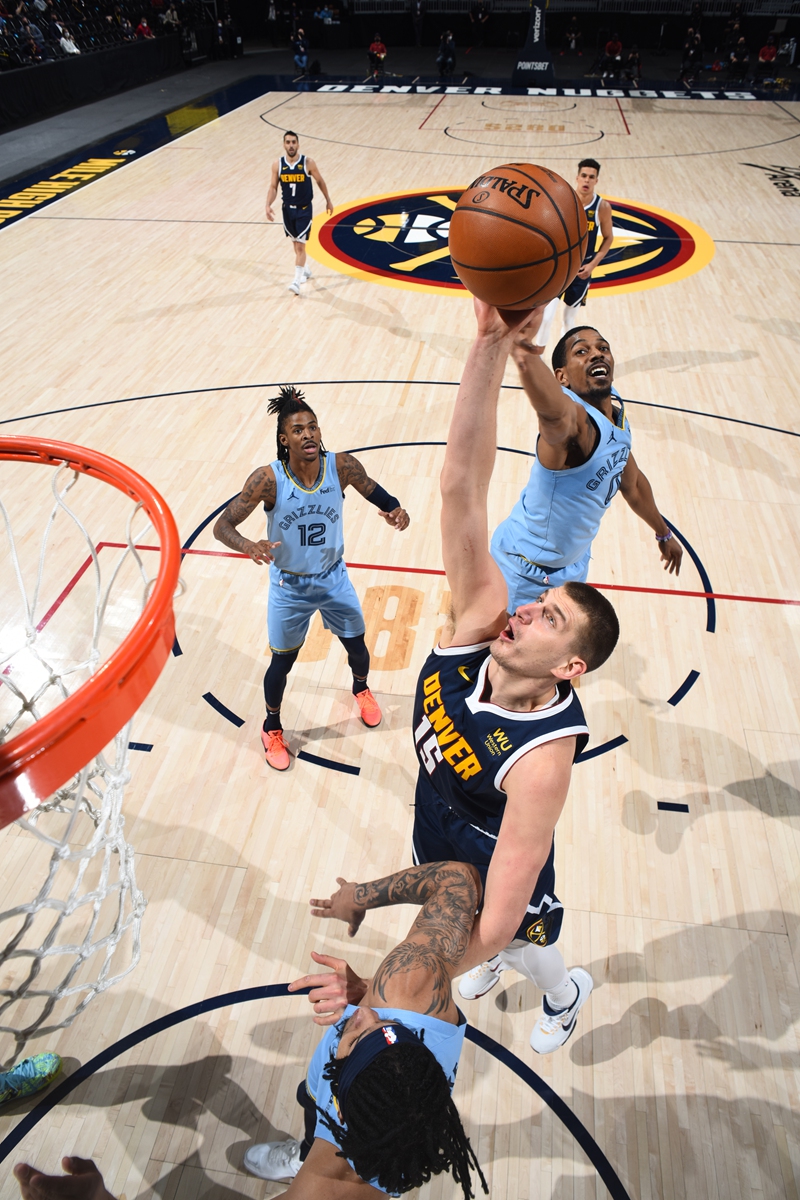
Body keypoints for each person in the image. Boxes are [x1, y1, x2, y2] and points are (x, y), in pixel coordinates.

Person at [389, 301, 622, 1052]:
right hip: (441, 817)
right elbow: (461, 488)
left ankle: (564, 992)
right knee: (483, 941)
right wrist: (491, 343)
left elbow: (493, 915)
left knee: (517, 940)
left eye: (546, 617)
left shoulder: (544, 760)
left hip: (491, 853)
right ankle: (500, 965)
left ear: (571, 666)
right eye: (537, 605)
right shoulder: (482, 619)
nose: (520, 615)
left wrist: (415, 979)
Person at [245, 861, 488, 1193]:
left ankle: (304, 1155)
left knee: (312, 1099)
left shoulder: (310, 1191)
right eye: (389, 1024)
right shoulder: (410, 990)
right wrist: (373, 987)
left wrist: (357, 896)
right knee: (310, 1096)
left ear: (340, 1111)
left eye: (358, 1039)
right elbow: (458, 881)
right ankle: (305, 1151)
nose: (365, 1015)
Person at [212, 387, 409, 771]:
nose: (309, 435)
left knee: (357, 645)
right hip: (290, 587)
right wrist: (250, 545)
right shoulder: (268, 480)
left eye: (313, 428)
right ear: (284, 440)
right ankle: (272, 727)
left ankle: (361, 689)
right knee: (282, 664)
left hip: (334, 577)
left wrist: (396, 511)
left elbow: (378, 494)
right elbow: (222, 526)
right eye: (299, 430)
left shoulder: (341, 467)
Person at [491, 323, 683, 612]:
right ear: (562, 377)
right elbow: (555, 416)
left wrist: (663, 532)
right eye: (582, 351)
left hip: (573, 565)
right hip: (523, 572)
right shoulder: (575, 427)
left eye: (603, 348)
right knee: (502, 653)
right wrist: (525, 356)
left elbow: (633, 484)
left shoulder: (614, 412)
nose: (597, 354)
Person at [533, 159, 614, 349]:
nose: (587, 180)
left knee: (569, 321)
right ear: (577, 178)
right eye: (584, 176)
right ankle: (538, 359)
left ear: (596, 180)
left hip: (581, 271)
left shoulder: (602, 207)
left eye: (591, 177)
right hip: (560, 267)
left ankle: (565, 361)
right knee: (546, 317)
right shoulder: (564, 200)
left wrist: (593, 265)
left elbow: (608, 238)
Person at [265, 130, 333, 295]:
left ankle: (296, 281)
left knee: (301, 247)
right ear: (284, 145)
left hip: (304, 210)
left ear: (298, 144)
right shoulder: (277, 165)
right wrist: (268, 204)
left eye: (293, 142)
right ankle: (305, 269)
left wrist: (328, 200)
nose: (291, 145)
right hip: (287, 210)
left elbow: (320, 181)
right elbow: (273, 187)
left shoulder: (308, 163)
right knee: (296, 245)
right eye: (288, 142)